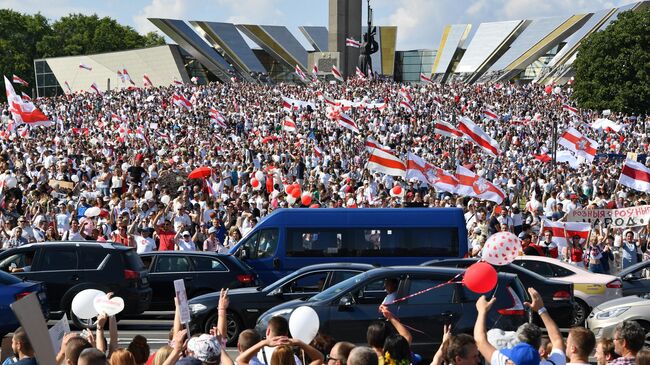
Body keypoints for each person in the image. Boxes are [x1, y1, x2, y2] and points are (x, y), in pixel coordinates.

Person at [474, 287, 564, 365]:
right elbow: (557, 339)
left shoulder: (504, 363)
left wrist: (482, 311)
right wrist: (541, 309)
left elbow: (480, 340)